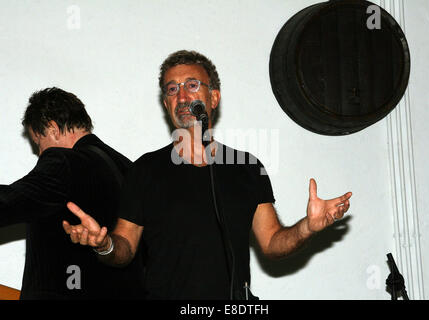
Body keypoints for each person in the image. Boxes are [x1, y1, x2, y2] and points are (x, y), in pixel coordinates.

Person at [63, 50, 352, 300]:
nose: (182, 96)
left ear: (213, 98)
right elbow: (124, 248)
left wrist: (308, 227)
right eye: (172, 89)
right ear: (166, 104)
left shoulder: (247, 168)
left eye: (191, 85)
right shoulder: (145, 170)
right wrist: (104, 245)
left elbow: (273, 243)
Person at [0, 87, 145, 299]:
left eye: (38, 143)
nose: (40, 153)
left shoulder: (63, 162)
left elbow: (9, 203)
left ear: (52, 128)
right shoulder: (129, 168)